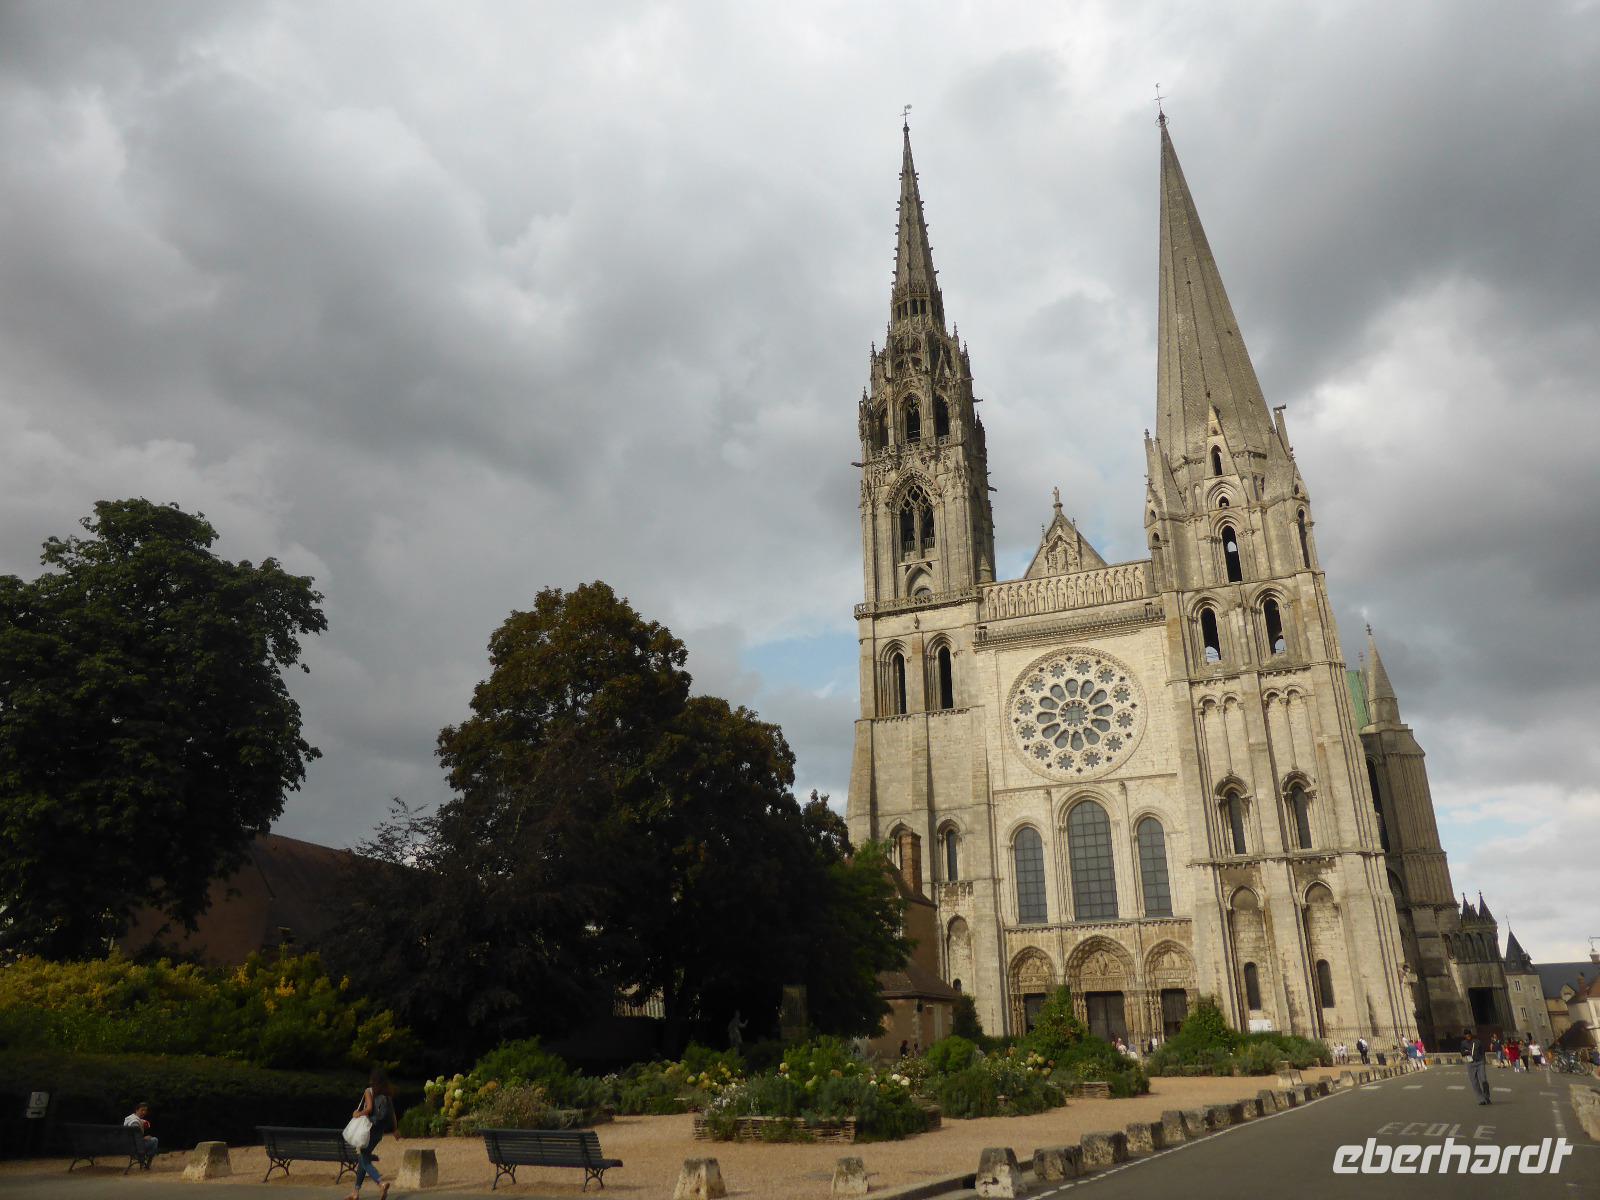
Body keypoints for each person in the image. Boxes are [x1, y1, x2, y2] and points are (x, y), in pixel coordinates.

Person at [345, 1068, 398, 1200]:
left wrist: (357, 1114)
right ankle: (355, 1192)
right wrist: (394, 1130)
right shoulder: (387, 1094)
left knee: (364, 1159)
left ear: (372, 1080)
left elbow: (368, 1109)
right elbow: (392, 1114)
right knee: (363, 1158)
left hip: (368, 1130)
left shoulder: (369, 1091)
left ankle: (381, 1183)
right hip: (378, 1132)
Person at [1461, 1030, 1491, 1105]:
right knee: (1474, 1082)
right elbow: (1462, 1053)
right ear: (1464, 1036)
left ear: (1471, 1034)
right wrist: (1467, 1052)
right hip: (1470, 1063)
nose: (1467, 1036)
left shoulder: (1477, 1042)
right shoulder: (1463, 1043)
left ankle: (1486, 1096)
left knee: (1483, 1080)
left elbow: (1482, 1051)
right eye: (1466, 1035)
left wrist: (1483, 1061)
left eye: (1468, 1034)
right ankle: (1481, 1099)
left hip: (1479, 1062)